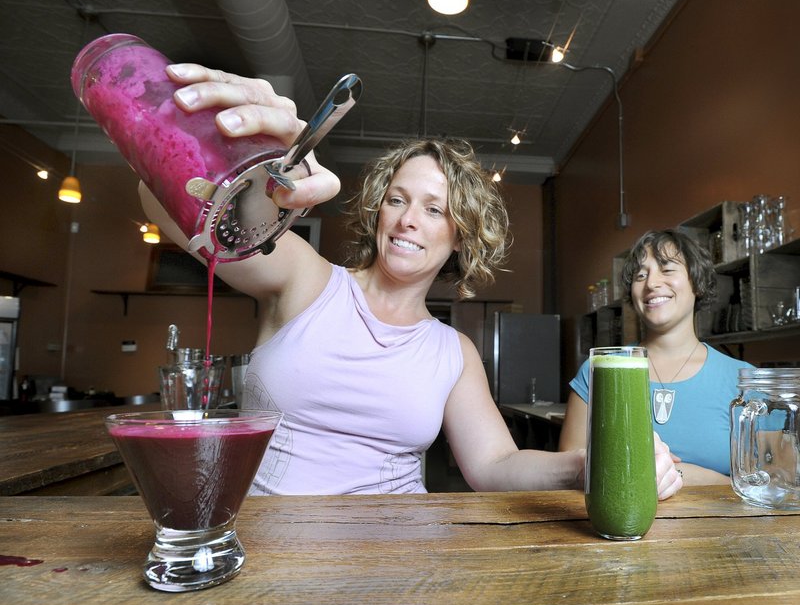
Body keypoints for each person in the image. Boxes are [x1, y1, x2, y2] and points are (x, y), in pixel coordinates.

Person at [140, 63, 682, 499]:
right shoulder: (304, 275)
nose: (408, 220)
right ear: (378, 211)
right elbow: (170, 206)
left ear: (459, 238)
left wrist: (583, 466)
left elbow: (494, 465)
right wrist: (231, 149)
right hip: (261, 545)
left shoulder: (454, 351)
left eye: (434, 210)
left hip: (397, 559)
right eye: (397, 200)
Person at [559, 229, 753, 485]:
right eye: (641, 275)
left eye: (667, 269)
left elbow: (772, 482)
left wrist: (677, 475)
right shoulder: (598, 370)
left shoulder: (747, 381)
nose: (651, 283)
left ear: (697, 282)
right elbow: (567, 476)